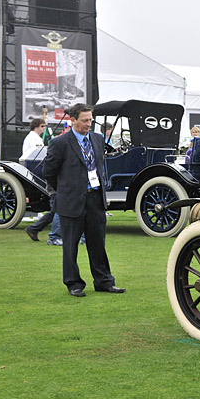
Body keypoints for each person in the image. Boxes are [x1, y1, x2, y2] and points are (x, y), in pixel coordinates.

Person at [43, 103, 124, 298]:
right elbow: (49, 172)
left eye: (90, 120)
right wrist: (64, 192)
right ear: (73, 120)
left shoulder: (97, 139)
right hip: (71, 201)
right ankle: (74, 283)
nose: (89, 124)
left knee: (98, 244)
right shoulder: (60, 143)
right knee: (70, 246)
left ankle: (104, 281)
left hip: (95, 199)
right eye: (85, 120)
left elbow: (98, 166)